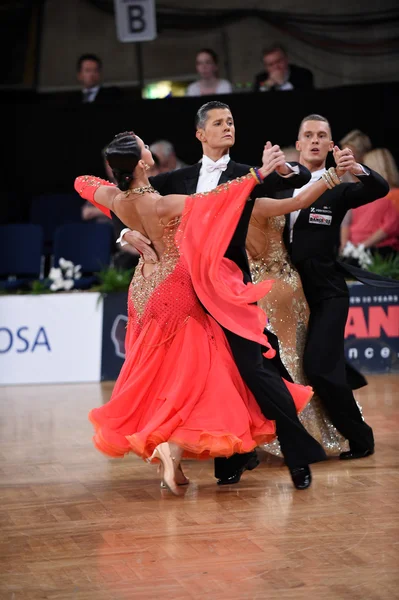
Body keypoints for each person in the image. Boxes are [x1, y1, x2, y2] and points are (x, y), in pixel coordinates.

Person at [75, 132, 342, 494]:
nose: (228, 127)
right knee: (197, 372)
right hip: (185, 288)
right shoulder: (165, 197)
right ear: (141, 162)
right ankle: (184, 447)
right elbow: (215, 199)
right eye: (143, 146)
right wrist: (257, 176)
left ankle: (178, 453)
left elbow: (83, 182)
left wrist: (126, 227)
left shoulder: (119, 196)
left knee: (166, 372)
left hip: (143, 290)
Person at [275, 114, 389, 461]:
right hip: (286, 296)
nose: (313, 140)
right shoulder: (279, 186)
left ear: (330, 145)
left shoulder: (338, 191)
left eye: (321, 136)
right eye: (307, 135)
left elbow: (379, 188)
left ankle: (360, 437)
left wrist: (356, 168)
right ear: (297, 144)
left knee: (321, 368)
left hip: (327, 293)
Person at [340, 148, 399, 257]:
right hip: (354, 249)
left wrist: (361, 246)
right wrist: (345, 246)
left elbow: (391, 226)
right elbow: (347, 220)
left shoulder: (393, 196)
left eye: (366, 166)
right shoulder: (362, 192)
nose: (363, 170)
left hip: (377, 252)